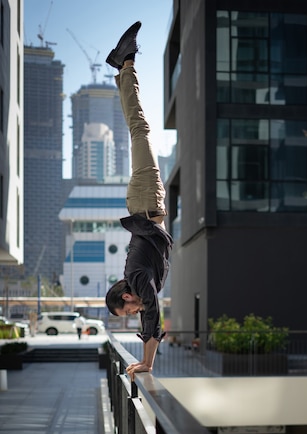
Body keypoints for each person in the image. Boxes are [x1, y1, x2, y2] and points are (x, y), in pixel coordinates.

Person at [105, 22, 173, 378]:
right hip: (145, 203)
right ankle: (122, 67)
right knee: (138, 129)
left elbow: (151, 314)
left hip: (146, 200)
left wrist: (147, 363)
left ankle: (125, 63)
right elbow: (149, 314)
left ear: (127, 297)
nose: (131, 314)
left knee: (140, 128)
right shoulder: (136, 276)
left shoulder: (138, 280)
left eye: (126, 312)